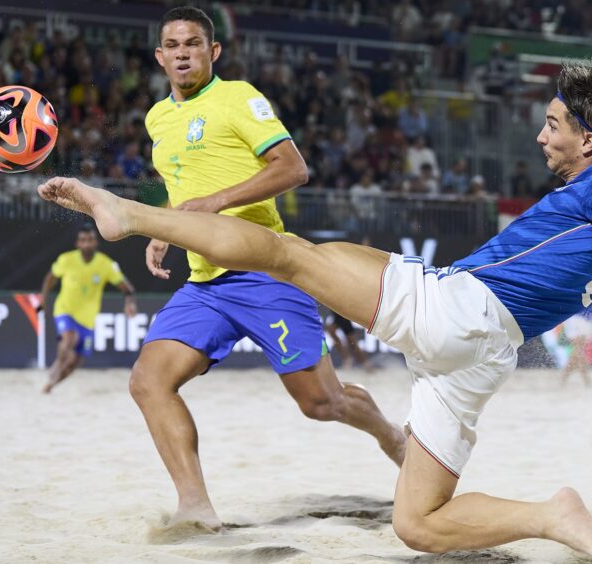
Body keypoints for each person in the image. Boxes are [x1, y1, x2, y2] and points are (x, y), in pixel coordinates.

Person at [38, 38, 592, 562]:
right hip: (482, 357)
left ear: (585, 141)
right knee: (418, 524)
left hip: (458, 310)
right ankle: (552, 516)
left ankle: (126, 213)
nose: (539, 134)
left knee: (284, 254)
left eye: (553, 124)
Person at [127, 6, 405, 531]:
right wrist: (167, 228)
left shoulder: (238, 97)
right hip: (205, 284)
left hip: (265, 270)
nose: (183, 53)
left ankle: (392, 436)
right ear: (160, 57)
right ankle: (195, 507)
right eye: (173, 45)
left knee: (321, 403)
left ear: (213, 52)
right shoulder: (157, 117)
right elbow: (182, 185)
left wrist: (215, 203)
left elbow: (293, 168)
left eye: (193, 43)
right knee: (148, 381)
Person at [37, 224, 136, 394]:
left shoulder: (106, 264)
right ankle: (58, 364)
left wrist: (129, 303)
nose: (87, 244)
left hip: (88, 320)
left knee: (75, 363)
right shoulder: (66, 260)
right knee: (69, 338)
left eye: (90, 240)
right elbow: (50, 278)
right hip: (65, 310)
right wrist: (43, 300)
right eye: (83, 240)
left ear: (96, 242)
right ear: (77, 243)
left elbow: (127, 288)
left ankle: (50, 386)